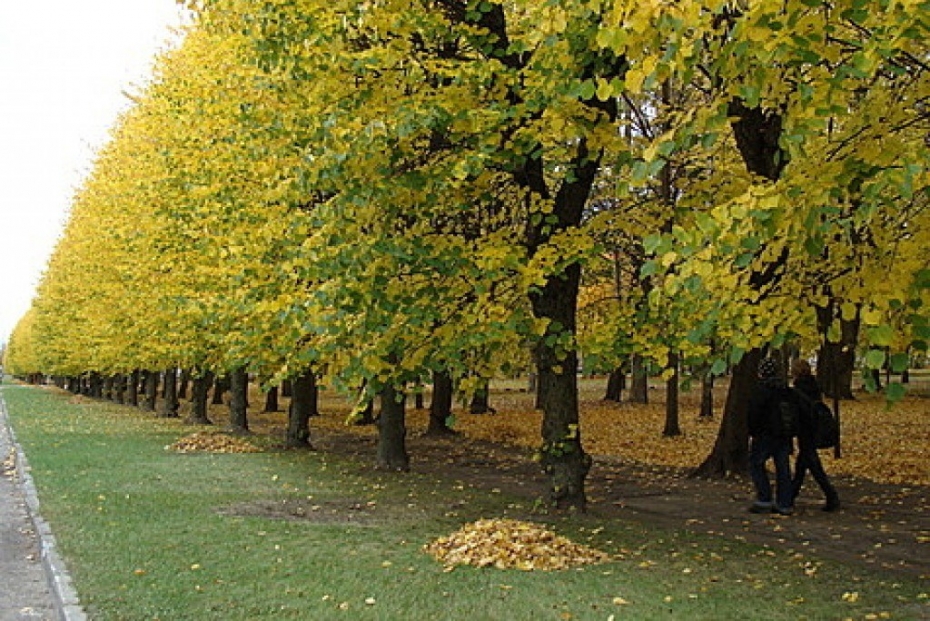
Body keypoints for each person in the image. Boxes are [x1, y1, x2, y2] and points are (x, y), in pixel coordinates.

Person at [747, 357, 797, 515]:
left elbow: (753, 414)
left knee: (756, 464)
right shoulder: (784, 390)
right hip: (783, 434)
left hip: (764, 434)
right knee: (783, 469)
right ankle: (785, 502)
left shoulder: (760, 391)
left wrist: (752, 431)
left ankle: (764, 498)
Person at [790, 359, 840, 512]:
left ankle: (831, 495)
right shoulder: (814, 386)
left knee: (811, 464)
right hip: (814, 428)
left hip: (806, 429)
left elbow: (799, 410)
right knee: (804, 464)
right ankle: (790, 496)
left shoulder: (798, 389)